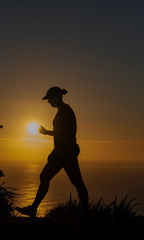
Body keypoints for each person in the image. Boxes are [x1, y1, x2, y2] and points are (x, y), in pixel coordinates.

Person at [16, 87, 89, 218]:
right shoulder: (64, 110)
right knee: (76, 182)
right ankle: (86, 213)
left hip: (64, 152)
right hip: (65, 151)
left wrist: (46, 132)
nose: (48, 102)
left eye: (49, 99)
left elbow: (66, 133)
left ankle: (33, 209)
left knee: (47, 177)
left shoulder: (65, 111)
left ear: (56, 98)